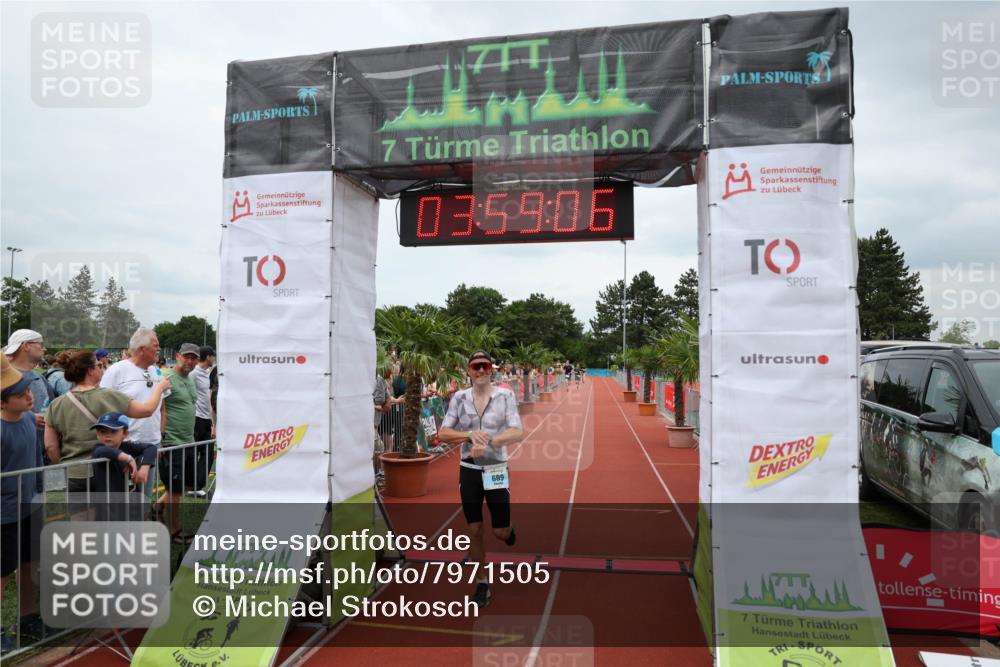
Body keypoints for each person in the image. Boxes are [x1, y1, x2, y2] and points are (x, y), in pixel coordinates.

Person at [438, 351, 524, 609]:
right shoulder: (459, 398)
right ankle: (482, 582)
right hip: (469, 469)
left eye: (485, 366)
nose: (481, 371)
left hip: (495, 467)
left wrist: (489, 442)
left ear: (491, 370)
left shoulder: (505, 396)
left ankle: (508, 530)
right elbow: (443, 433)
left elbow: (516, 431)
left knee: (499, 532)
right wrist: (468, 437)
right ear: (469, 370)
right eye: (476, 366)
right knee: (474, 529)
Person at [44, 351, 170, 503]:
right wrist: (159, 388)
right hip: (107, 471)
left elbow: (51, 446)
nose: (102, 368)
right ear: (90, 370)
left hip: (73, 474)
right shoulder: (110, 396)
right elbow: (147, 410)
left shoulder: (56, 404)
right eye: (99, 365)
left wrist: (68, 466)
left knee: (80, 523)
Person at [1, 357, 49, 649]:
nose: (30, 396)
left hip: (29, 505)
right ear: (3, 403)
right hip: (4, 514)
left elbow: (36, 462)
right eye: (20, 395)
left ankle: (28, 616)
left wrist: (39, 494)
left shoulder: (31, 420)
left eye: (28, 390)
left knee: (30, 563)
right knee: (3, 573)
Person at [101, 328, 167, 501]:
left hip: (150, 446)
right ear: (142, 348)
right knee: (120, 501)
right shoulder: (116, 370)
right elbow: (103, 408)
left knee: (144, 499)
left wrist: (159, 436)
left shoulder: (154, 371)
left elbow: (160, 407)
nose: (159, 348)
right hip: (125, 447)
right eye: (156, 345)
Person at [156, 343, 201, 541]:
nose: (189, 361)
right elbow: (159, 409)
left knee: (182, 486)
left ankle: (157, 507)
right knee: (175, 490)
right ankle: (174, 529)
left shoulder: (190, 379)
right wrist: (161, 440)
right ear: (178, 356)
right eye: (186, 357)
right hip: (172, 442)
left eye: (194, 358)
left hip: (188, 440)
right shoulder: (166, 377)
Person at [88, 412, 157, 520]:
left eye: (113, 431)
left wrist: (145, 467)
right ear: (97, 434)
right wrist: (129, 459)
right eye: (102, 431)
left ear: (125, 433)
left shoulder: (127, 446)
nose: (107, 435)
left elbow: (151, 448)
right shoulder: (98, 449)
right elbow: (104, 451)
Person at [4, 329, 53, 459]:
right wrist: (29, 417)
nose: (44, 349)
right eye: (40, 344)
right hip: (11, 454)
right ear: (26, 346)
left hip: (40, 452)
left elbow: (51, 405)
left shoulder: (39, 377)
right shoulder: (3, 377)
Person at [190, 346, 216, 497]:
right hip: (197, 418)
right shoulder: (193, 374)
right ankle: (193, 484)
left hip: (207, 418)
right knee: (195, 453)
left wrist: (213, 422)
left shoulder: (208, 374)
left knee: (208, 453)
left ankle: (198, 485)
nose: (214, 359)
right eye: (213, 356)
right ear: (208, 357)